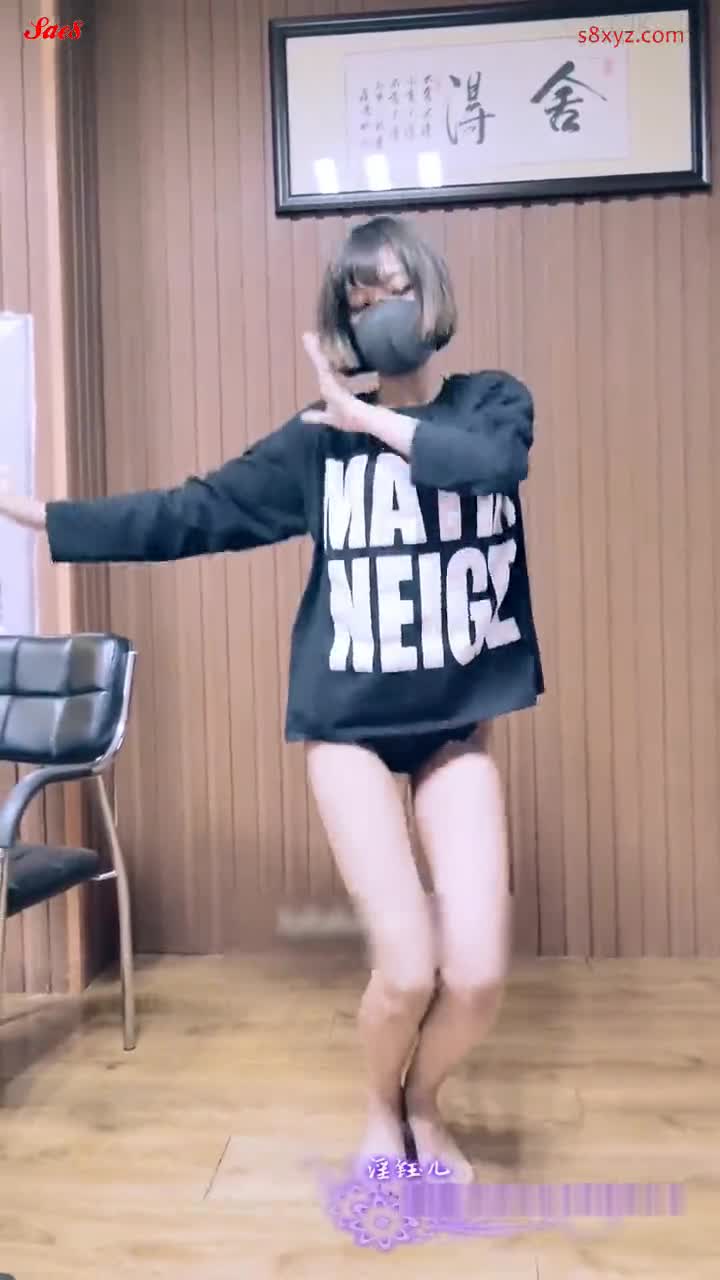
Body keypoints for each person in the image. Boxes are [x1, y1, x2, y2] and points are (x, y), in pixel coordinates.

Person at [0, 215, 543, 1183]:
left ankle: (425, 1098)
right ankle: (380, 1107)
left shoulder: (491, 403)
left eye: (396, 289)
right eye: (361, 299)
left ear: (432, 295)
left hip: (454, 730)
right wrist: (37, 514)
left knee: (478, 977)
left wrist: (367, 418)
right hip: (349, 726)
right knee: (406, 969)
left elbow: (487, 466)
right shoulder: (315, 442)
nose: (382, 310)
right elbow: (191, 511)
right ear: (342, 318)